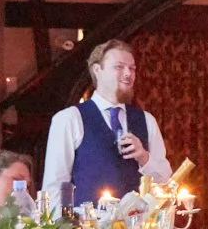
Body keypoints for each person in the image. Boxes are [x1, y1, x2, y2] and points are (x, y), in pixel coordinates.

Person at [43, 39, 171, 203]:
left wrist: (144, 157)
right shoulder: (69, 119)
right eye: (119, 67)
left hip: (138, 219)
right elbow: (55, 186)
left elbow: (165, 181)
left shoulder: (146, 120)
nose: (128, 74)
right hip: (87, 219)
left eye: (132, 68)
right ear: (97, 70)